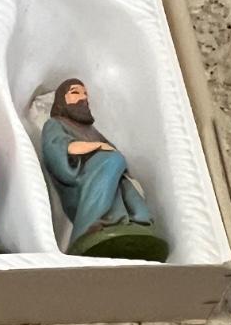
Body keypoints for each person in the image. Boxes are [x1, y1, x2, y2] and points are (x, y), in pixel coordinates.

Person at [40, 78, 154, 249]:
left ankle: (138, 223)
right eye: (75, 92)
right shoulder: (55, 124)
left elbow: (112, 152)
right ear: (61, 100)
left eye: (85, 94)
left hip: (106, 176)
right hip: (80, 186)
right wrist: (98, 147)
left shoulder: (91, 131)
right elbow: (57, 150)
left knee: (125, 181)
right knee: (112, 161)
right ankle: (87, 228)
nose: (83, 98)